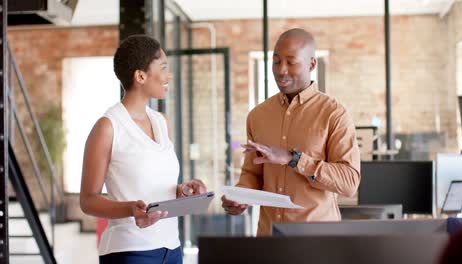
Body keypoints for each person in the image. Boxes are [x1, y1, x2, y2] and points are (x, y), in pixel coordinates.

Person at [80, 34, 207, 264]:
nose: (169, 75)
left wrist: (183, 191)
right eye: (164, 67)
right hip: (131, 251)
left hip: (172, 248)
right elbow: (88, 200)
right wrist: (131, 209)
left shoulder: (161, 122)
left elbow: (156, 185)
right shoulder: (108, 127)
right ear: (140, 76)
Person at [222, 28, 361, 236]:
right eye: (276, 61)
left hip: (317, 243)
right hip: (269, 240)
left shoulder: (334, 114)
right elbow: (252, 174)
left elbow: (349, 182)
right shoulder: (257, 116)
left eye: (291, 62)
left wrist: (293, 159)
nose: (281, 70)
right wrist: (241, 196)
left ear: (311, 64)